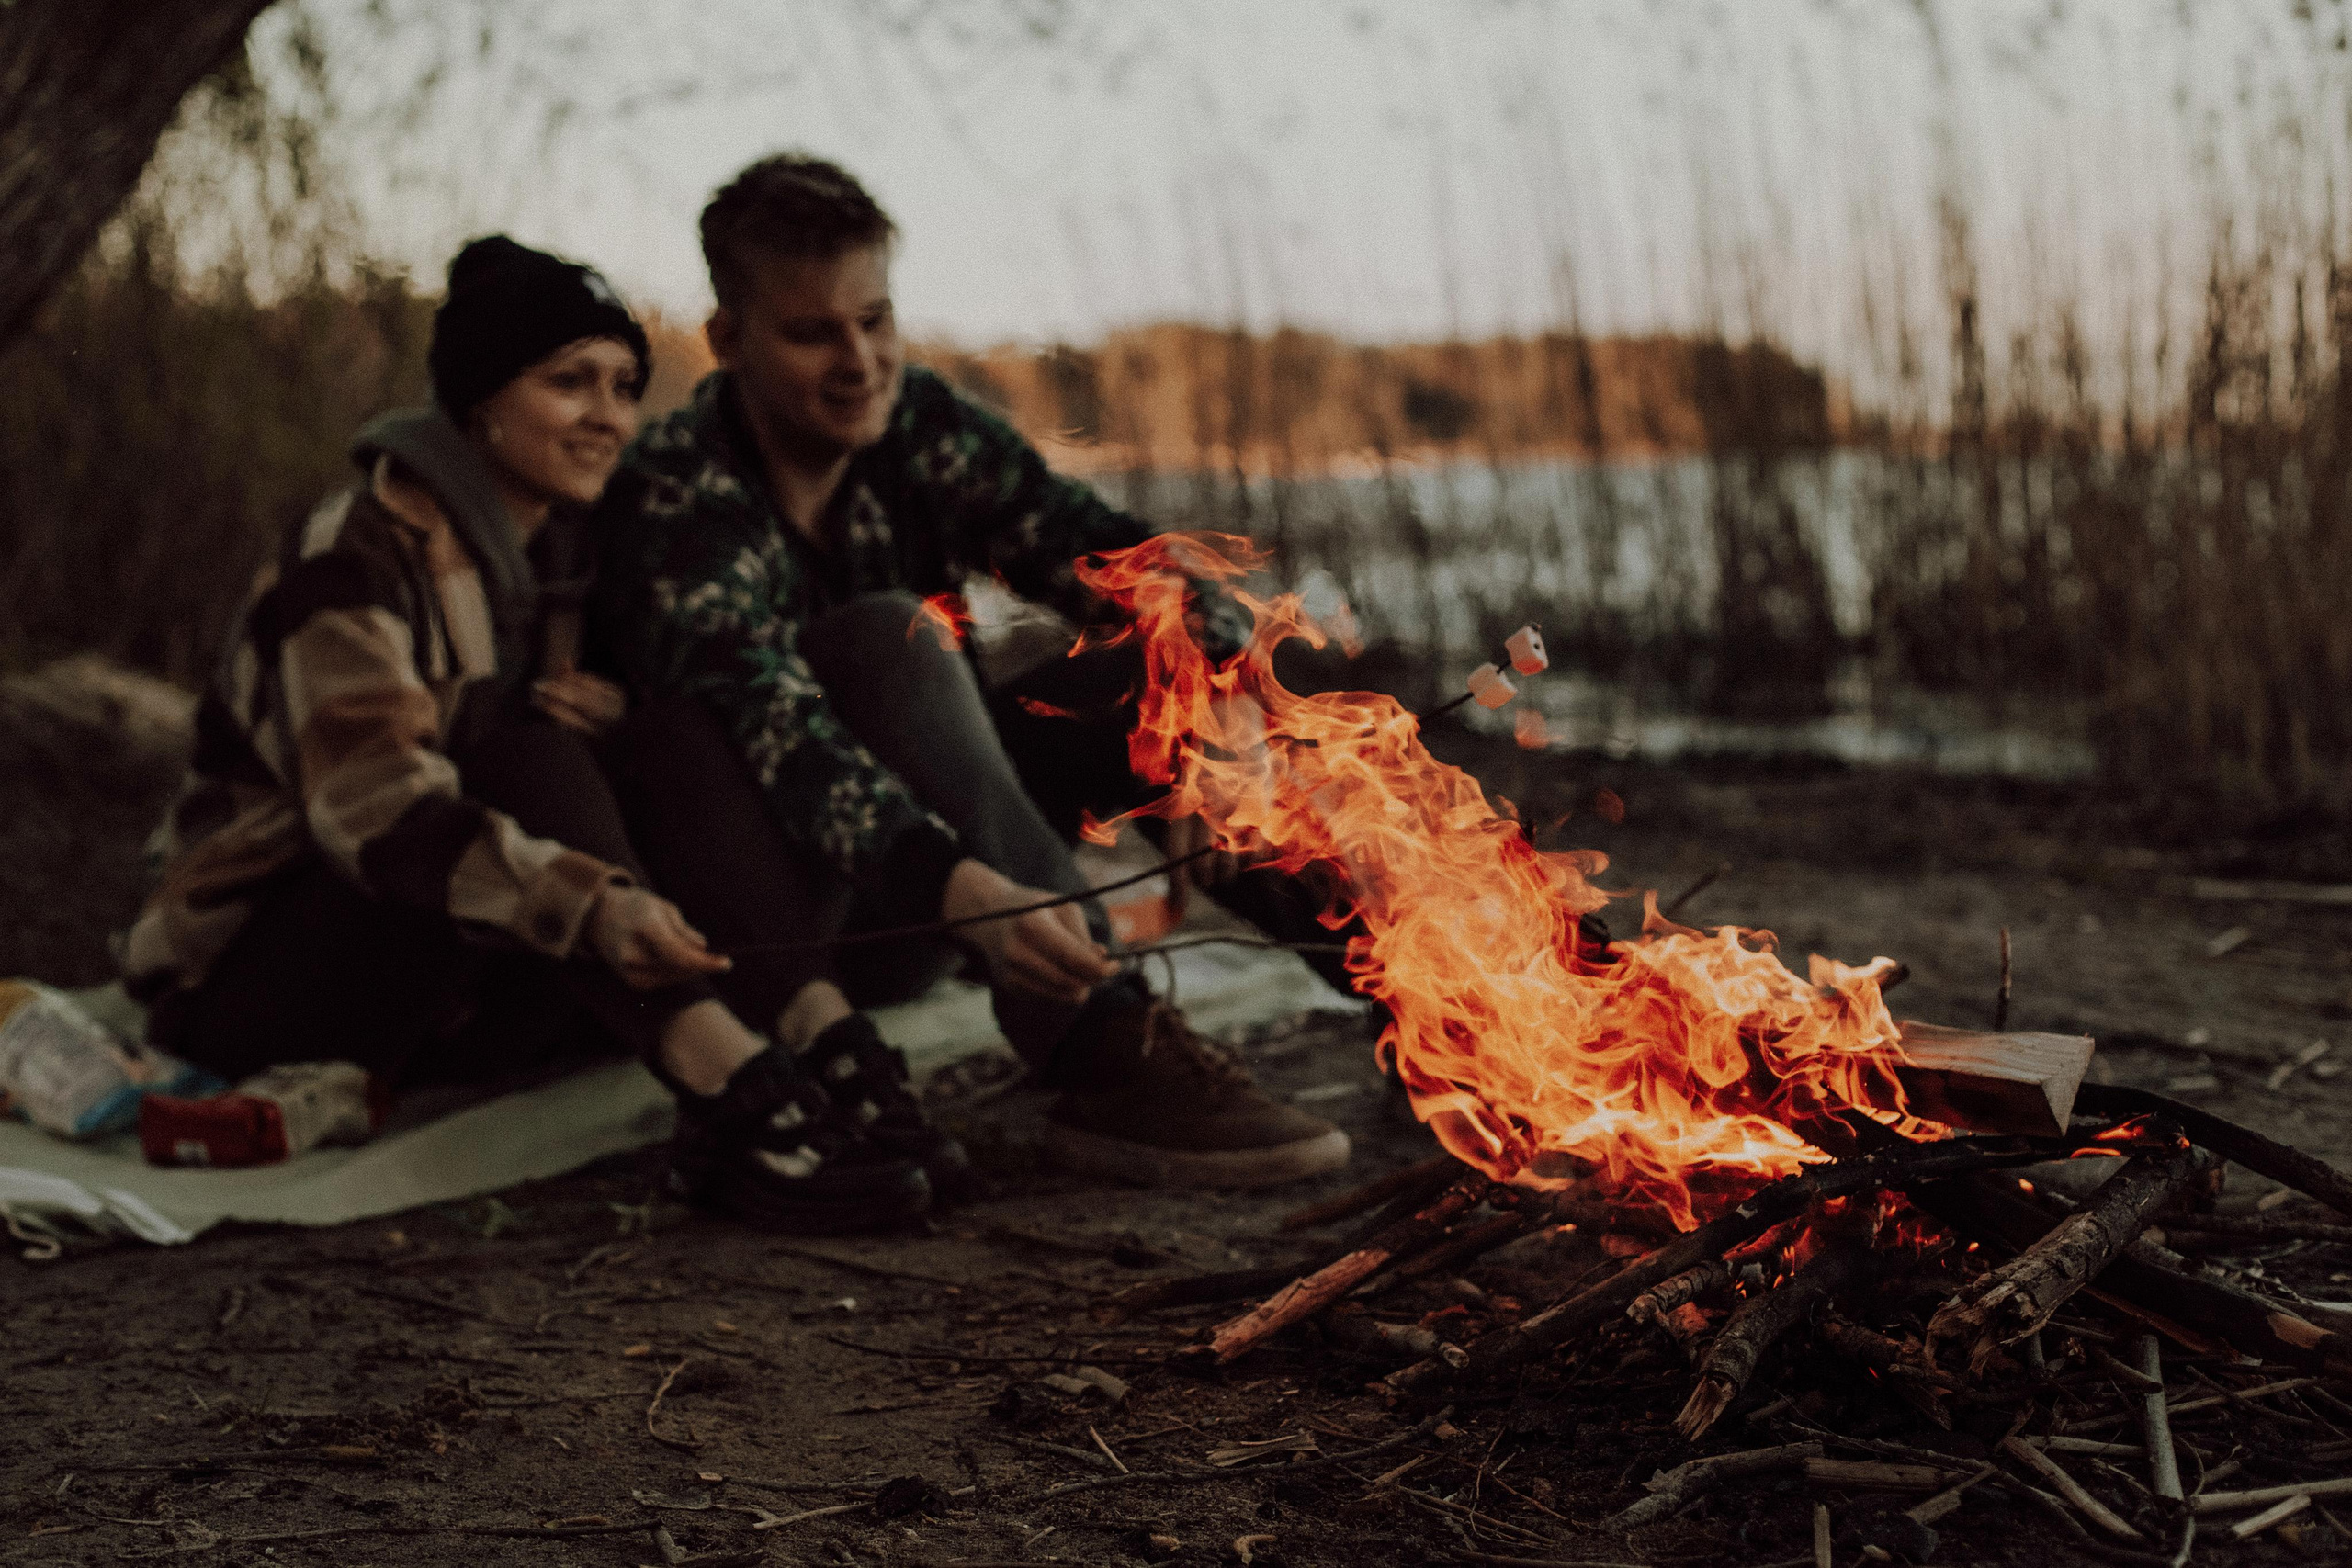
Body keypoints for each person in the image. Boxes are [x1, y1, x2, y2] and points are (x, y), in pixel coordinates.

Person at [121, 235, 950, 1234]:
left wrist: (621, 737)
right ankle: (725, 1084)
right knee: (520, 750)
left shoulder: (567, 551)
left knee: (661, 732)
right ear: (482, 401)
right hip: (267, 977)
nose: (609, 417)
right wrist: (593, 905)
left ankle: (822, 1036)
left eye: (624, 386)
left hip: (458, 966)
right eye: (569, 383)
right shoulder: (354, 551)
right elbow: (373, 813)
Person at [592, 152, 1360, 1190]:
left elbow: (1107, 552)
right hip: (809, 921)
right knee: (889, 636)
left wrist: (1212, 697)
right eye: (813, 332)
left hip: (960, 860)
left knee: (1147, 679)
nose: (860, 360)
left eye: (875, 320)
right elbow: (780, 737)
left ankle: (1436, 1007)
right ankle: (1104, 1043)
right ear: (728, 340)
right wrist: (965, 891)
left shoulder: (917, 426)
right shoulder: (676, 492)